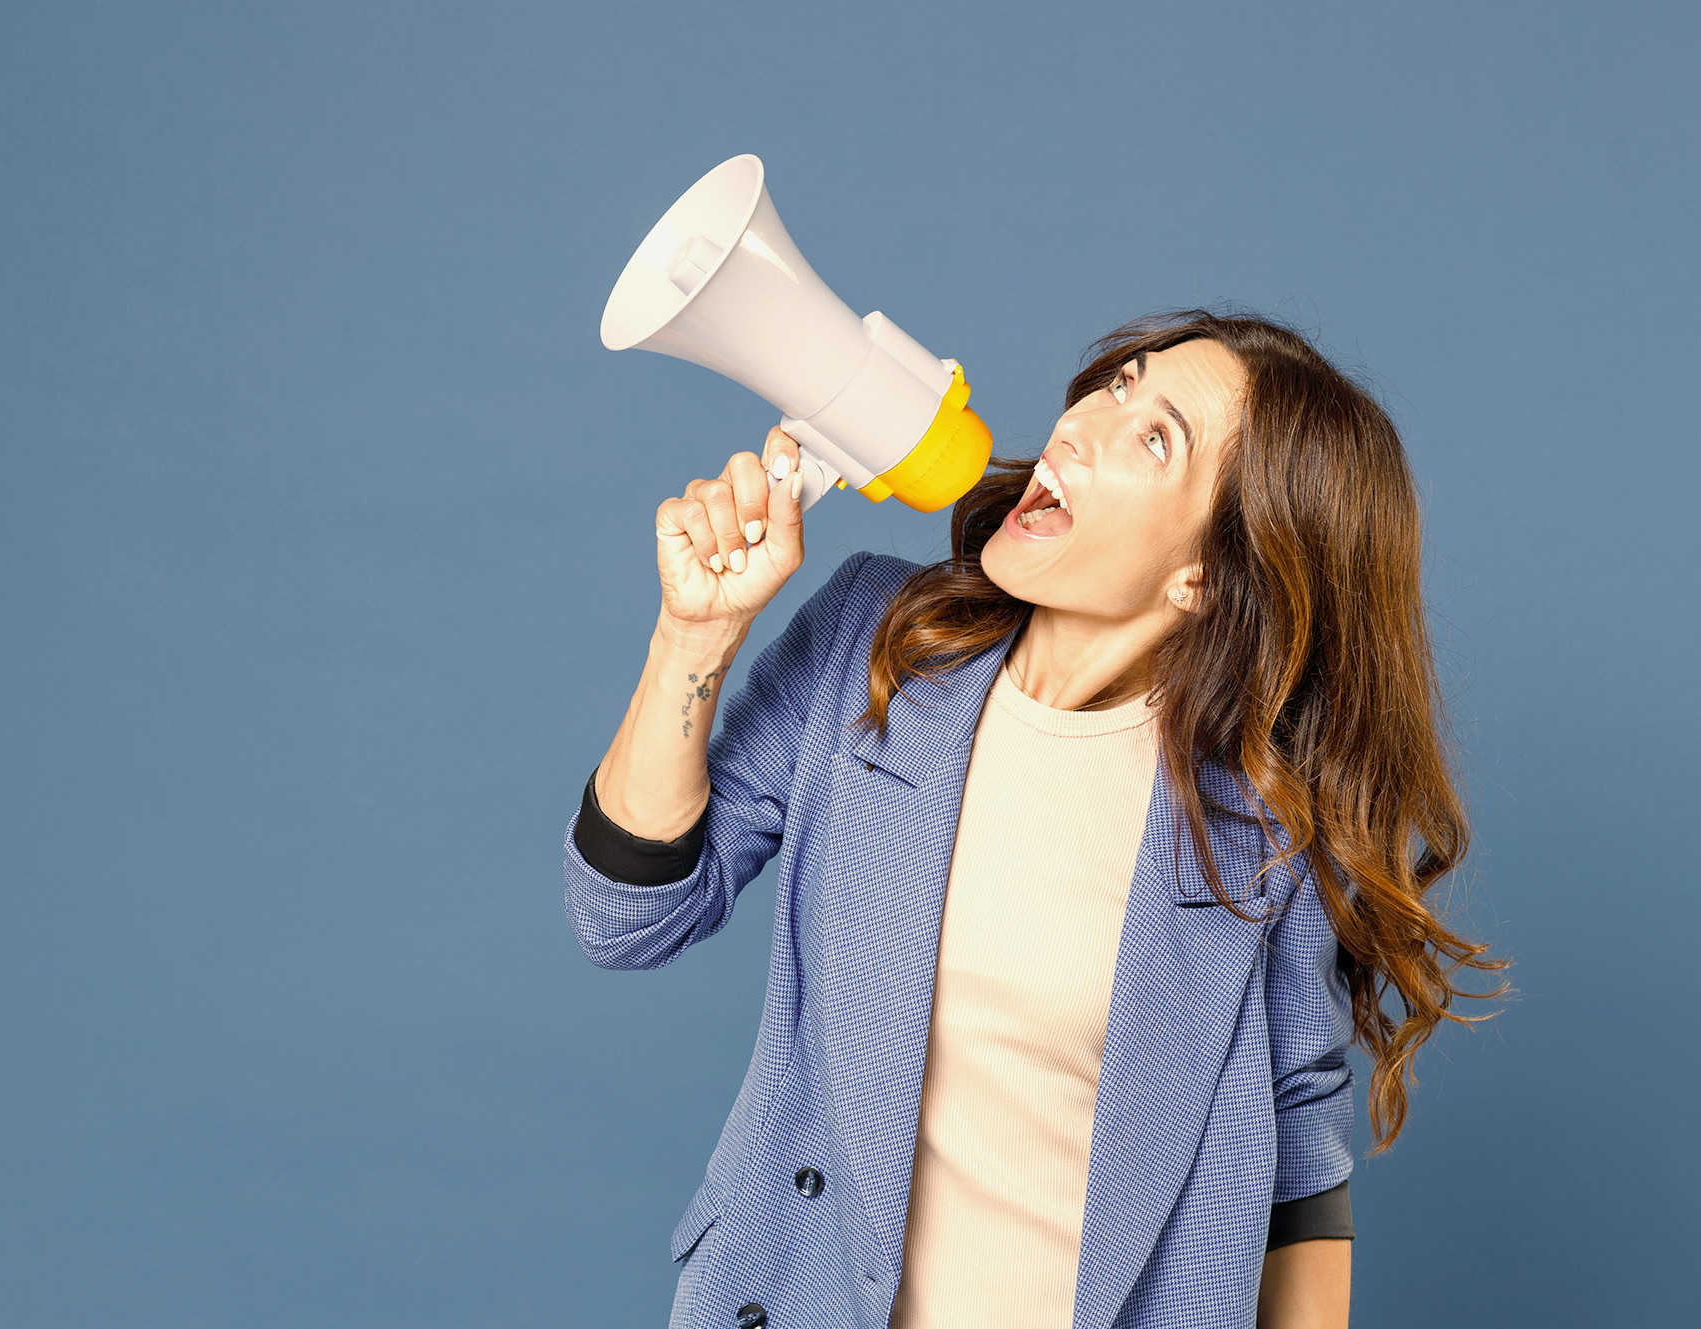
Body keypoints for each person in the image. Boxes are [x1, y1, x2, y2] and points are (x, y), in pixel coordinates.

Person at [562, 309, 1511, 1329]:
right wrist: (691, 635)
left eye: (1154, 437)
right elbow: (627, 919)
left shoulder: (1261, 833)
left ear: (1204, 575)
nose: (1078, 426)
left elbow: (1298, 1174)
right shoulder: (874, 645)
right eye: (1116, 385)